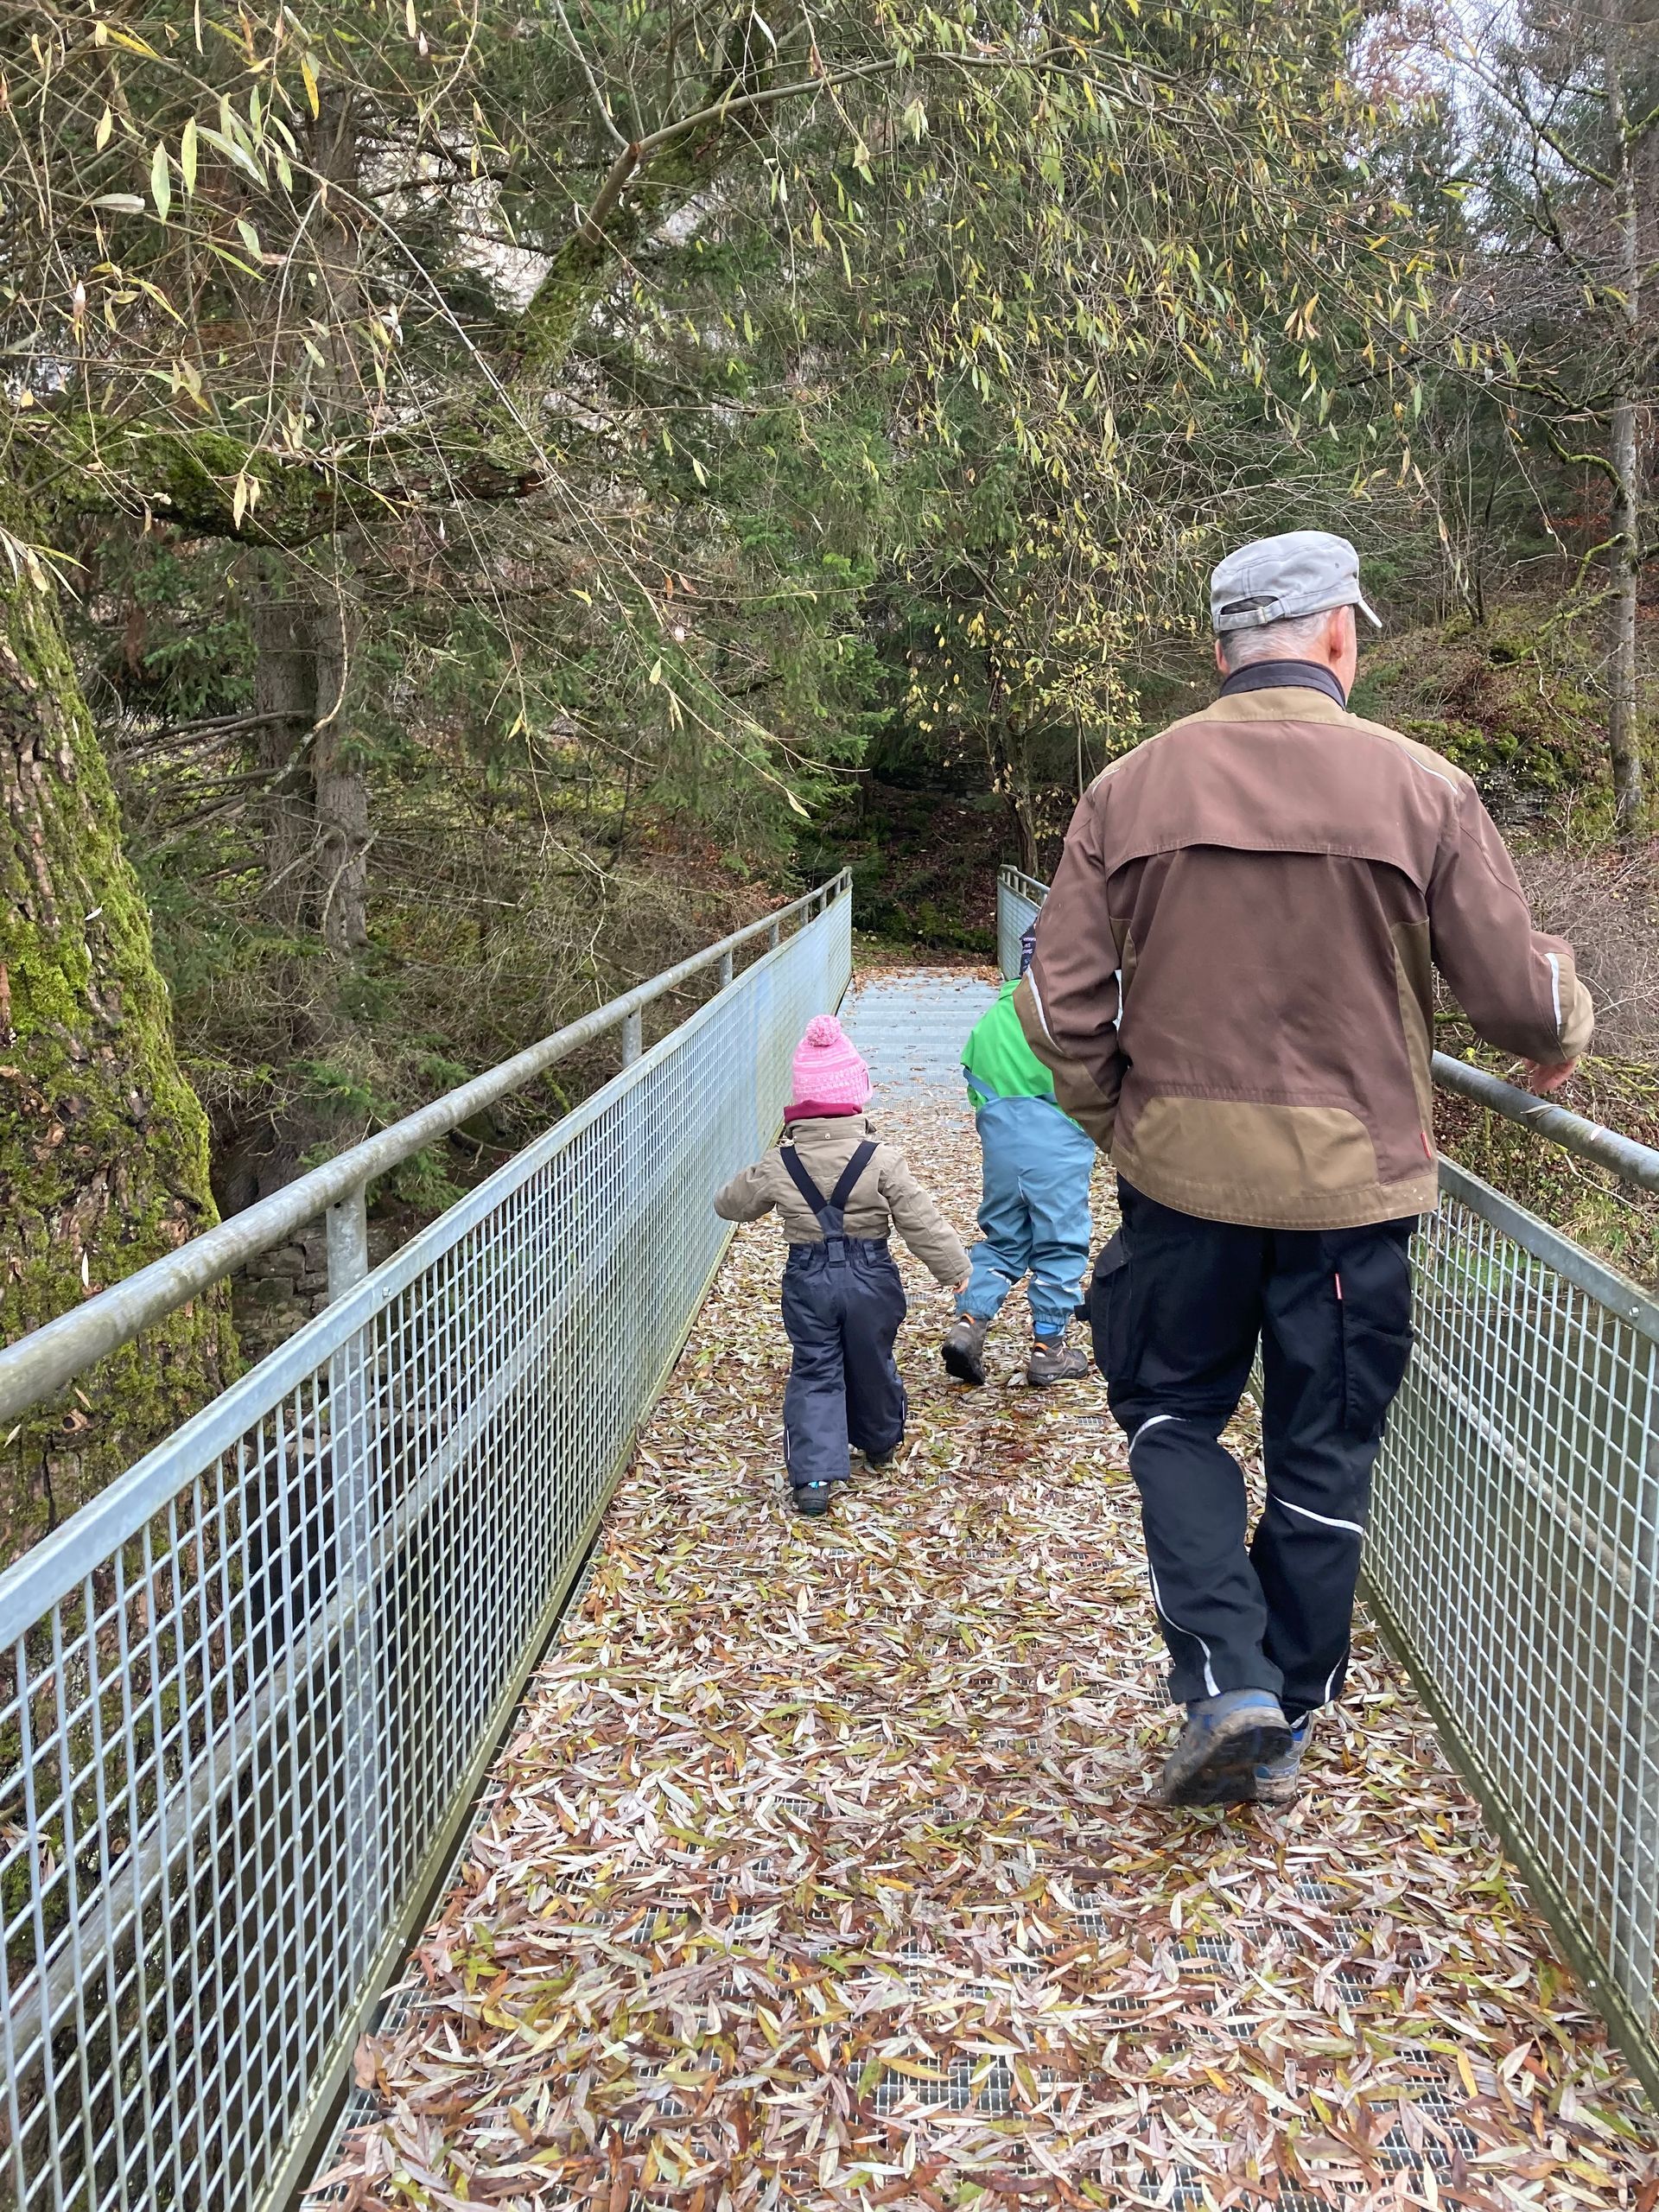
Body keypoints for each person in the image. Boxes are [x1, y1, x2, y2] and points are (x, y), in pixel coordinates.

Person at [1017, 529, 1592, 1808]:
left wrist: (1122, 1117)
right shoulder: (1423, 786)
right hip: (1355, 1188)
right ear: (1339, 633)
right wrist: (1566, 1020)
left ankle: (1228, 1680)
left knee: (1172, 1414)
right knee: (1324, 1441)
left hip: (1180, 1179)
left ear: (1223, 646)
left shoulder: (1128, 789)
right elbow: (1518, 999)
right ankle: (1295, 1699)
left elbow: (1055, 1004)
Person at [715, 1014, 970, 1517]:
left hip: (808, 1277)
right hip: (871, 1273)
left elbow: (731, 1205)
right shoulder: (881, 1160)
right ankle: (879, 1442)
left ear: (800, 1103)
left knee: (815, 1366)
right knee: (872, 1356)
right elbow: (920, 1219)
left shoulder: (781, 1163)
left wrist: (763, 1169)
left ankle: (813, 1478)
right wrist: (954, 1269)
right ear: (856, 1097)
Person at [942, 927, 1097, 1388]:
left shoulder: (994, 1016)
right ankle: (1049, 1349)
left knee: (1003, 1239)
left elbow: (974, 1082)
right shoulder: (1070, 1015)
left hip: (1002, 1147)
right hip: (1059, 1147)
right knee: (1060, 1242)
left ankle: (969, 1322)